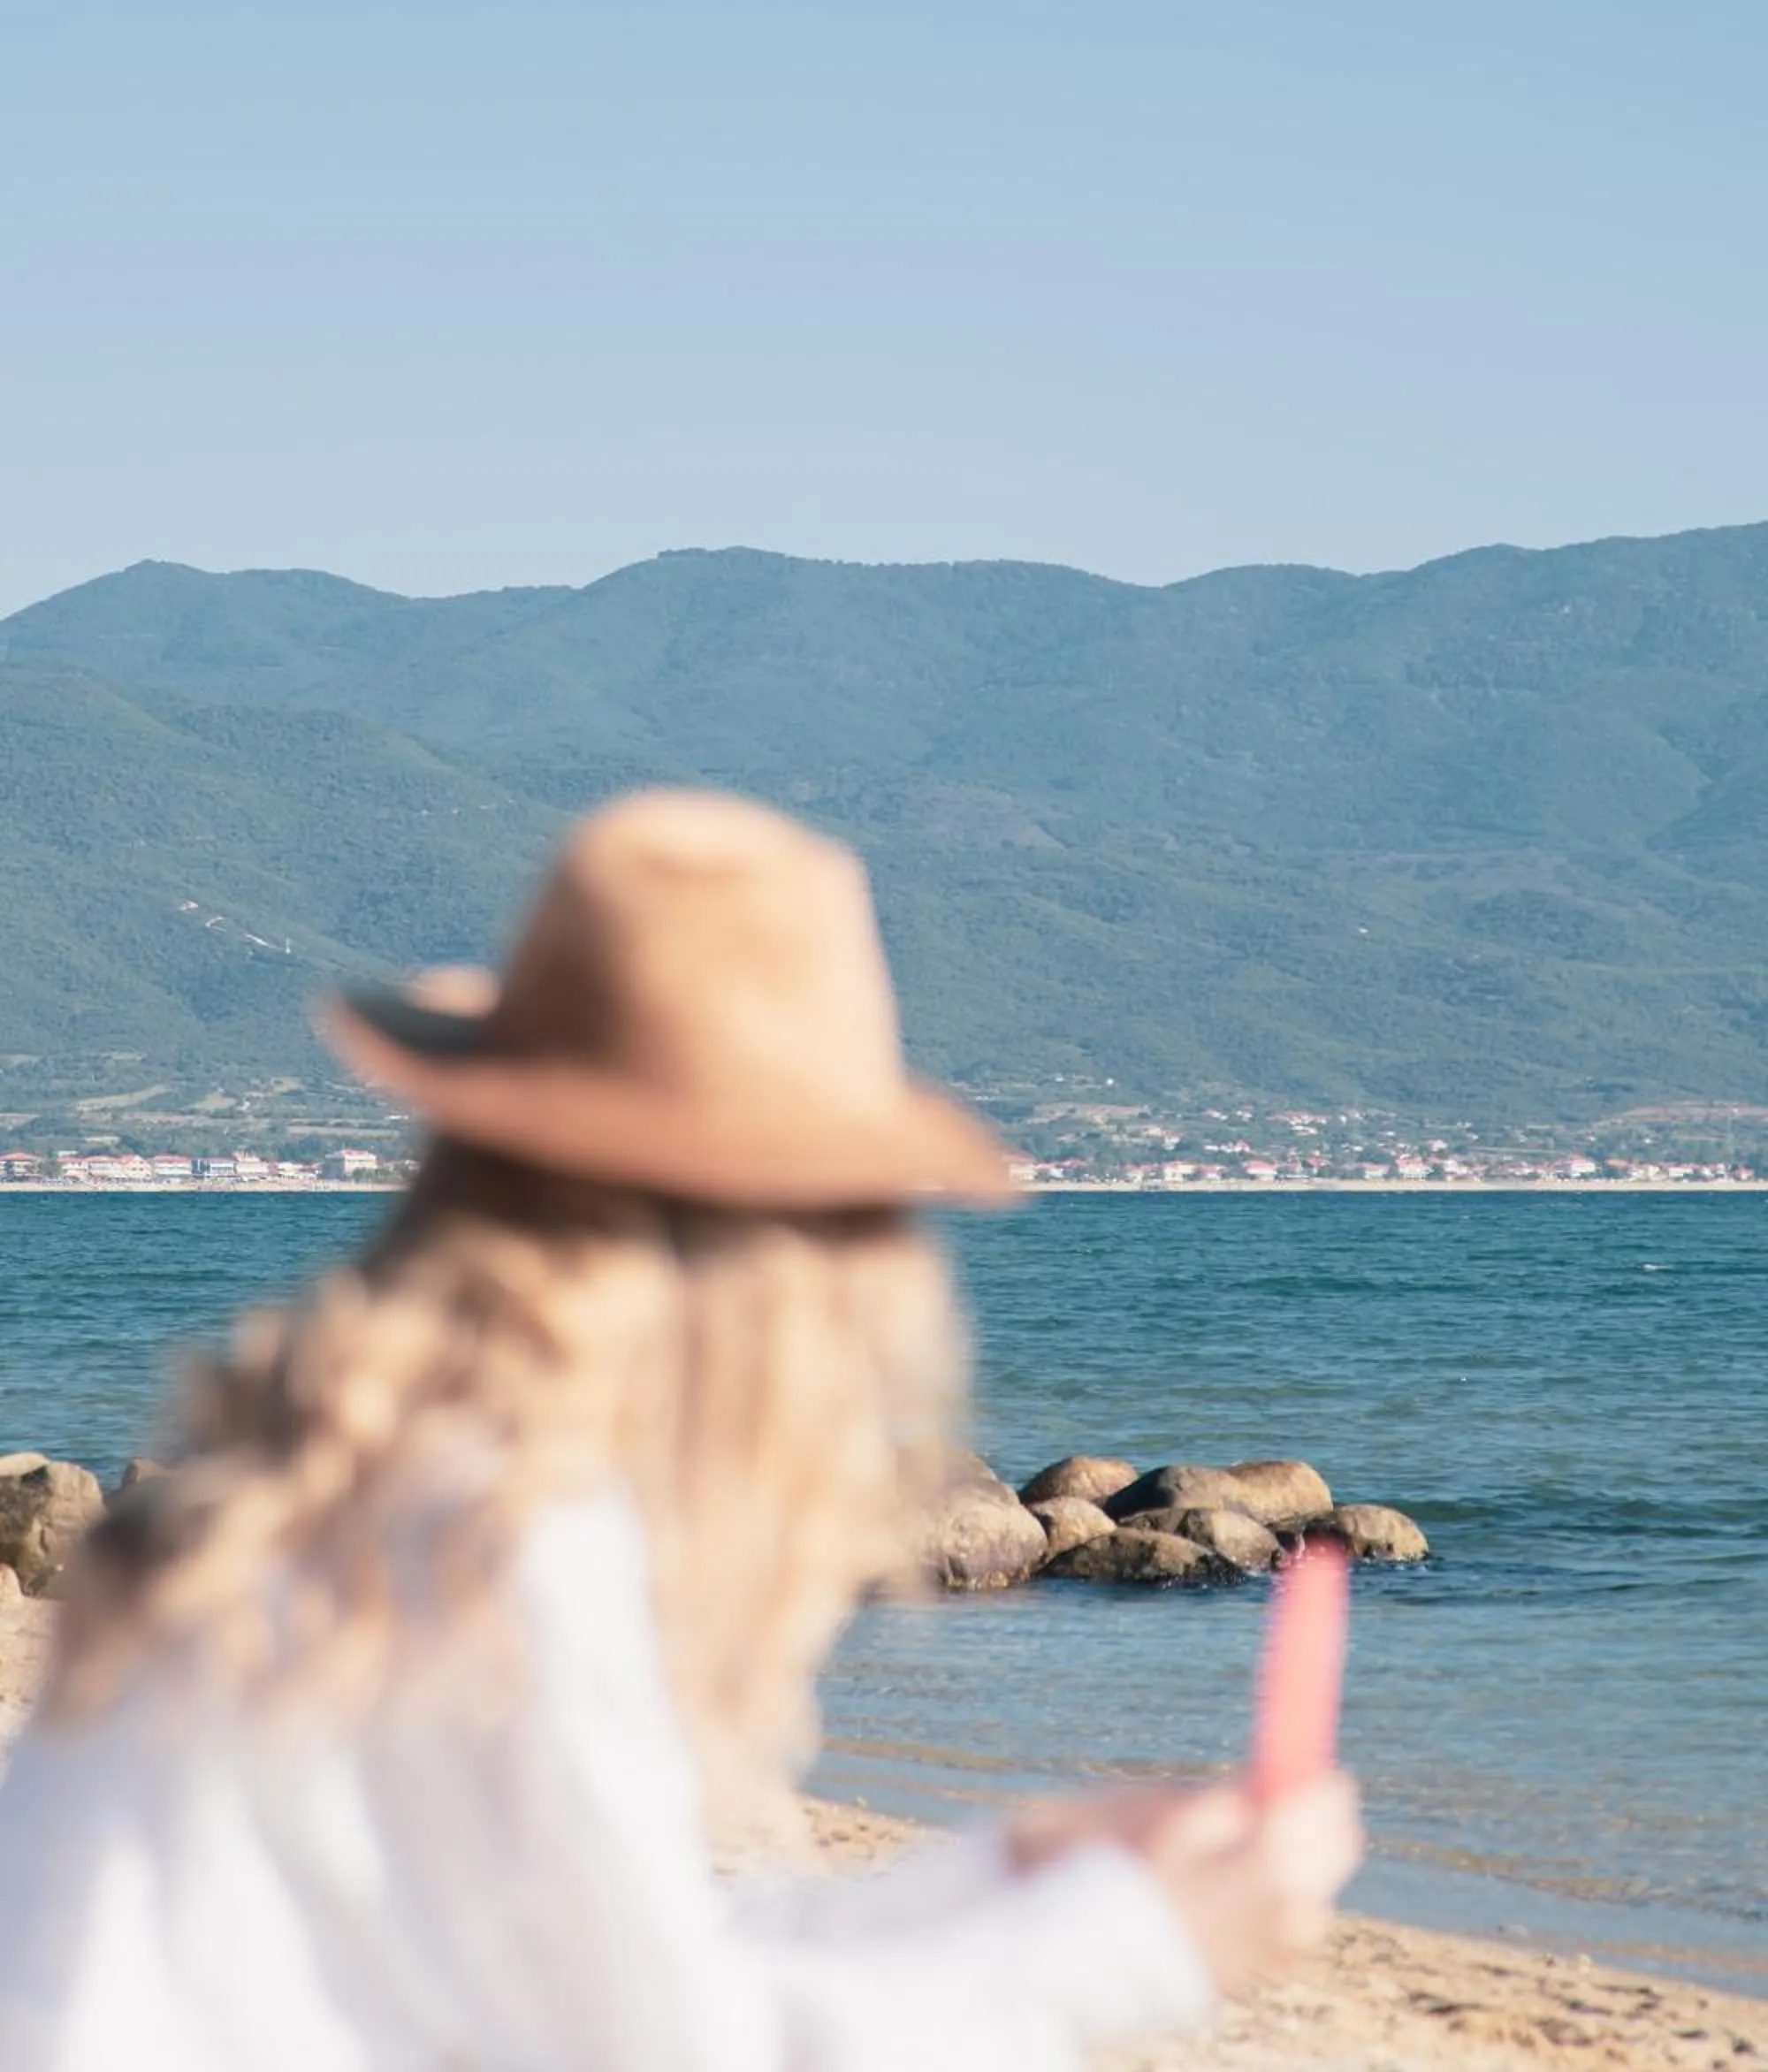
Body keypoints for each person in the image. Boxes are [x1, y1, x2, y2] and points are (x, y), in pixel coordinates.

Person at [0, 789, 1360, 2071]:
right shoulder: (500, 1544)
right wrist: (1137, 1943)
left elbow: (595, 1966)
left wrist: (1004, 1879)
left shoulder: (363, 1499)